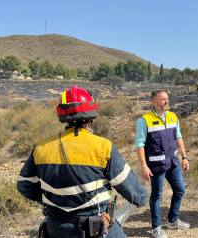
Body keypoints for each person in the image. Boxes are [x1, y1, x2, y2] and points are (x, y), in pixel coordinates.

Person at [17, 85, 147, 238]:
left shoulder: (41, 148)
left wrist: (50, 200)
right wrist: (140, 198)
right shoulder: (103, 147)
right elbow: (134, 192)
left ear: (62, 113)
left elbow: (24, 185)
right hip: (95, 227)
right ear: (92, 112)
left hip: (55, 226)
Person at [135, 90, 190, 238]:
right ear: (154, 101)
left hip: (173, 163)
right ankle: (156, 227)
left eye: (167, 98)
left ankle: (172, 220)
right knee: (156, 195)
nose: (167, 101)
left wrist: (184, 157)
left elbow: (178, 137)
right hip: (156, 166)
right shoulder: (144, 120)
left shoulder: (172, 116)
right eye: (163, 99)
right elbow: (140, 144)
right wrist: (143, 166)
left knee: (180, 190)